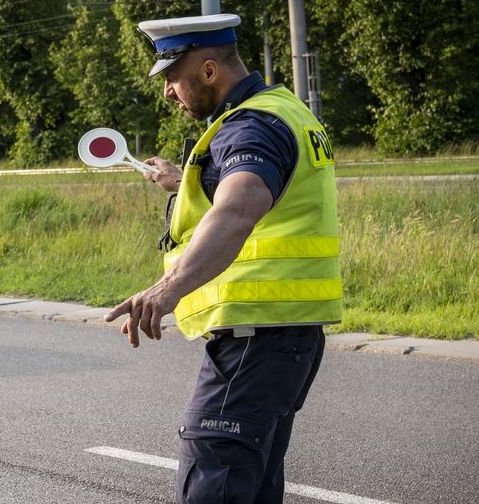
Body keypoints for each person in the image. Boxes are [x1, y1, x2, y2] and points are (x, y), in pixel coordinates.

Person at [103, 13, 342, 504]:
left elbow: (238, 208)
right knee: (252, 487)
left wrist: (165, 290)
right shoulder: (282, 109)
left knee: (213, 476)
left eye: (171, 76)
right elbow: (257, 189)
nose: (168, 91)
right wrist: (181, 180)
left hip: (255, 340)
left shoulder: (250, 127)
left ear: (209, 71)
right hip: (283, 335)